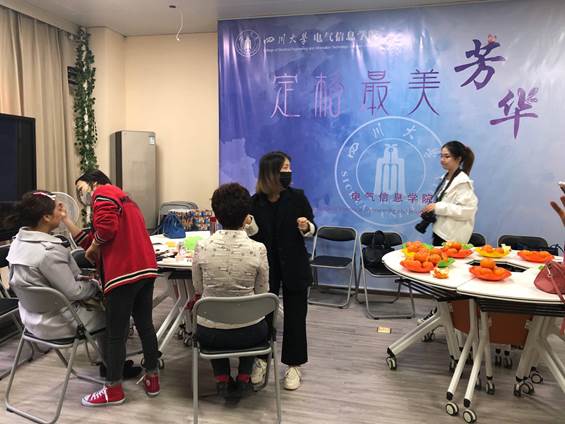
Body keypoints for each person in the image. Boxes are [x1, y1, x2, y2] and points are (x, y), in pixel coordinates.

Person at [62, 170, 160, 407]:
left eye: (81, 188)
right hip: (145, 269)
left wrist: (94, 248)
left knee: (115, 333)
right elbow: (94, 238)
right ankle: (152, 378)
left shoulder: (103, 193)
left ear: (94, 182)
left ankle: (113, 389)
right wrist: (67, 220)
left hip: (123, 273)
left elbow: (105, 231)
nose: (81, 195)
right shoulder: (124, 199)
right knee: (145, 326)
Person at [191, 183, 269, 400]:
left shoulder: (202, 246)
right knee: (251, 316)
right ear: (246, 217)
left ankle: (222, 379)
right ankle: (244, 377)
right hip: (251, 333)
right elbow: (263, 292)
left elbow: (198, 288)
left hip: (211, 334)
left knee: (213, 317)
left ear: (216, 215)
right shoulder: (258, 249)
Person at [246, 151, 316, 391]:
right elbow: (255, 238)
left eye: (289, 167)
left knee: (296, 317)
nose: (288, 172)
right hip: (266, 267)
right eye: (284, 168)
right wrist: (249, 225)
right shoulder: (255, 202)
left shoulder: (297, 198)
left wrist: (306, 226)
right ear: (271, 172)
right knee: (263, 315)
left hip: (295, 265)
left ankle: (294, 365)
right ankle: (261, 359)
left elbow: (312, 227)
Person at [6, 191, 105, 343]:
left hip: (30, 321)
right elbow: (75, 291)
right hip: (62, 323)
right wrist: (96, 285)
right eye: (58, 208)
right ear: (46, 217)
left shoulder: (16, 244)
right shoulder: (50, 251)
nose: (62, 209)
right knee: (118, 315)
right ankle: (111, 358)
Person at [420, 141, 478, 245]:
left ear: (458, 159)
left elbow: (467, 211)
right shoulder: (445, 178)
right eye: (441, 156)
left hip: (451, 238)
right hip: (441, 232)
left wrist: (437, 207)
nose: (442, 160)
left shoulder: (462, 182)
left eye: (447, 156)